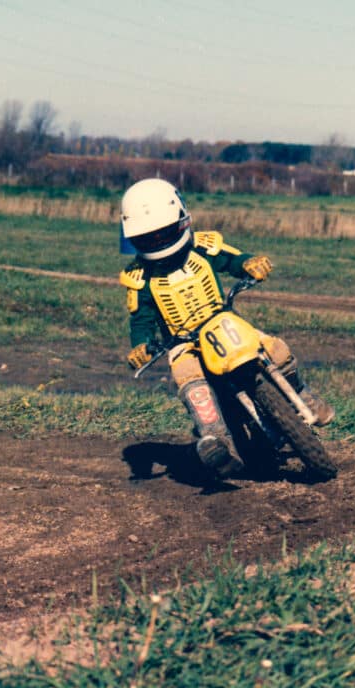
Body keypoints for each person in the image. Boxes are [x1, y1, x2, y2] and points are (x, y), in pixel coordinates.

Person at [119, 177, 334, 474]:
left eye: (163, 234)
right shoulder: (139, 278)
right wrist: (141, 346)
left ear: (181, 221)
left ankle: (302, 392)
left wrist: (249, 264)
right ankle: (214, 438)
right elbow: (140, 317)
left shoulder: (203, 247)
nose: (157, 242)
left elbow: (232, 260)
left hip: (222, 321)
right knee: (186, 374)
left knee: (274, 347)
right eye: (148, 238)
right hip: (182, 343)